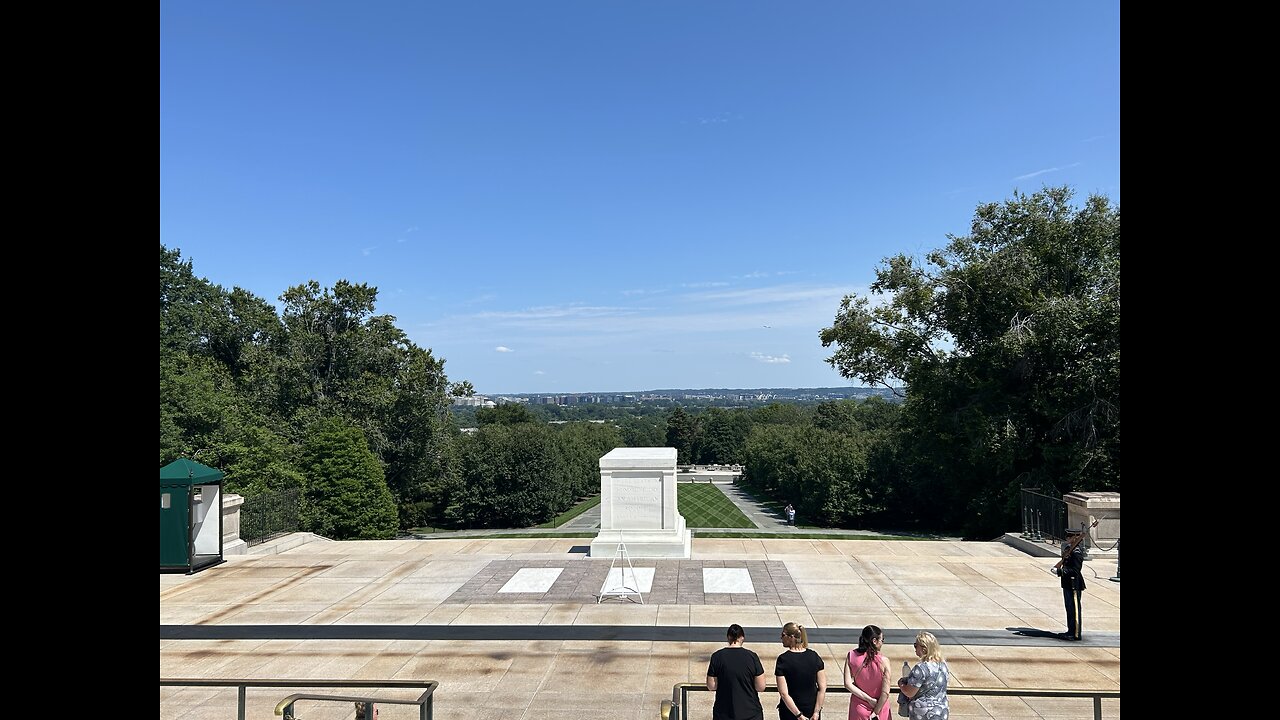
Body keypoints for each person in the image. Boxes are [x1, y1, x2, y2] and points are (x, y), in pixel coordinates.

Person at [708, 623, 767, 720]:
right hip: (750, 712)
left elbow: (711, 686)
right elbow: (761, 686)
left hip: (724, 712)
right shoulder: (752, 657)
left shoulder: (717, 656)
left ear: (728, 637)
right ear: (742, 638)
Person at [775, 622, 826, 720]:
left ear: (791, 637)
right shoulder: (814, 656)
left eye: (783, 635)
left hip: (790, 712)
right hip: (811, 711)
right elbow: (822, 688)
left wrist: (799, 715)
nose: (781, 638)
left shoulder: (783, 660)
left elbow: (784, 693)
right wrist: (816, 712)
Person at [897, 631, 949, 720]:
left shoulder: (921, 668)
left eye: (916, 645)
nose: (915, 648)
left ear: (924, 649)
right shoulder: (943, 666)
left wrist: (901, 684)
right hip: (941, 711)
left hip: (923, 713)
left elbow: (909, 692)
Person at [842, 624, 889, 720]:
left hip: (859, 707)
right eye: (882, 640)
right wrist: (876, 711)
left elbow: (848, 684)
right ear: (874, 641)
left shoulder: (851, 655)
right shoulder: (884, 661)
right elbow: (885, 692)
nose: (882, 643)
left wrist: (868, 699)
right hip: (880, 708)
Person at [1056, 526, 1087, 641]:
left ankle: (1075, 633)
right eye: (1067, 536)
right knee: (1069, 608)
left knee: (1074, 609)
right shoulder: (1070, 549)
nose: (1067, 538)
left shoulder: (1077, 552)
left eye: (1069, 536)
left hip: (1074, 583)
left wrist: (1061, 571)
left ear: (1075, 537)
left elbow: (1076, 570)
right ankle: (1070, 630)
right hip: (1068, 583)